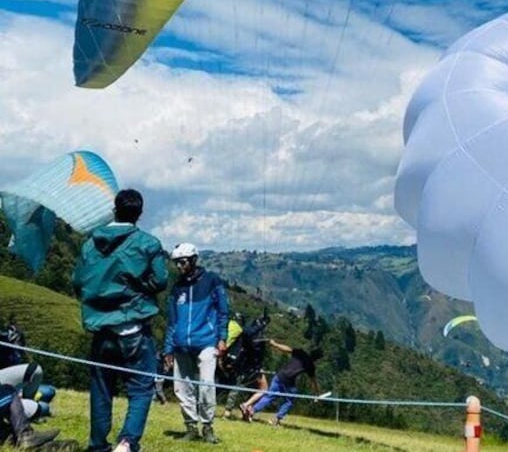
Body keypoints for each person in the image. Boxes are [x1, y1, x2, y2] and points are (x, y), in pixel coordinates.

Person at [72, 189, 169, 452]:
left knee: (101, 388)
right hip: (133, 327)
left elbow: (78, 281)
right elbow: (160, 281)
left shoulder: (90, 244)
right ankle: (126, 443)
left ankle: (98, 445)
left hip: (100, 330)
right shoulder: (148, 243)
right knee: (140, 388)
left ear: (114, 210)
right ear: (139, 215)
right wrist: (136, 288)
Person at [163, 242, 229, 444]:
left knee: (206, 384)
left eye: (182, 262)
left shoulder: (211, 281)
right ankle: (190, 427)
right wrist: (168, 349)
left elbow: (223, 311)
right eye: (176, 263)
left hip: (206, 342)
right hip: (181, 344)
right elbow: (172, 321)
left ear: (193, 260)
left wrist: (222, 338)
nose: (179, 266)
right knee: (182, 388)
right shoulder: (177, 288)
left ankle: (207, 426)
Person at [239, 342, 322, 426]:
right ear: (317, 359)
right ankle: (276, 419)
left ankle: (252, 411)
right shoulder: (310, 365)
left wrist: (275, 344)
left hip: (279, 376)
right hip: (288, 381)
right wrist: (316, 394)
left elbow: (286, 348)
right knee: (289, 401)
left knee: (269, 396)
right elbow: (313, 382)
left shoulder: (301, 352)